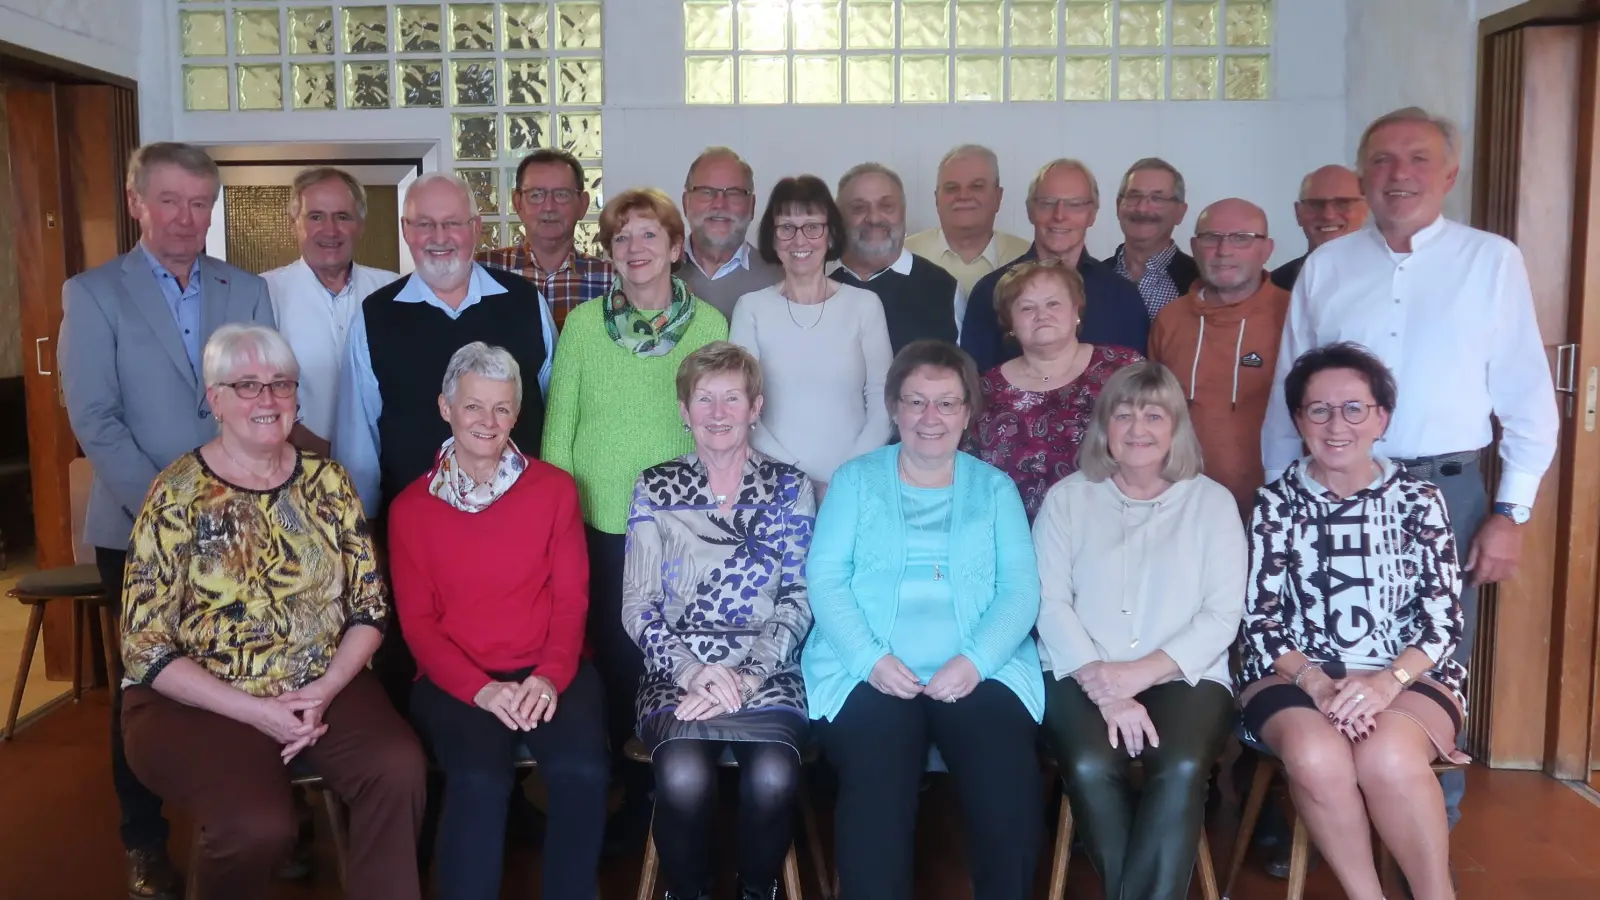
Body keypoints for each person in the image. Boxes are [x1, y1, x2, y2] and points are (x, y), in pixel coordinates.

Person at [1262, 107, 1559, 829]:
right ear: (1364, 175)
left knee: (1429, 658)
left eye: (1418, 159)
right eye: (1385, 161)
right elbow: (1288, 397)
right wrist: (1276, 501)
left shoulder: (1491, 261)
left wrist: (1509, 512)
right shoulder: (1327, 267)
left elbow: (1526, 396)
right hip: (1328, 494)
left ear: (1449, 173)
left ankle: (1426, 829)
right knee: (1311, 646)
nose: (1401, 175)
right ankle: (1312, 812)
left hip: (1447, 491)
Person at [118, 324, 426, 900]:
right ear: (215, 398)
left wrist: (326, 688)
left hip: (320, 681)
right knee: (257, 825)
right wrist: (255, 711)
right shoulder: (176, 492)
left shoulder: (328, 481)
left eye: (281, 384)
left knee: (398, 769)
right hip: (198, 698)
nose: (267, 399)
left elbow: (369, 608)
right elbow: (144, 645)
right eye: (247, 386)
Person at [58, 140, 276, 900]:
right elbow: (94, 416)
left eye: (199, 204)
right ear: (136, 203)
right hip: (138, 529)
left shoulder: (245, 288)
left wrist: (237, 502)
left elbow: (265, 398)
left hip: (246, 528)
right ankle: (144, 840)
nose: (186, 218)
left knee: (251, 666)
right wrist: (172, 512)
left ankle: (259, 816)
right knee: (145, 684)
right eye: (171, 201)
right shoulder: (93, 294)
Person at [805, 340, 1044, 900]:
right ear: (893, 407)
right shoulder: (856, 480)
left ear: (967, 412)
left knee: (1006, 777)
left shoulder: (994, 487)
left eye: (945, 404)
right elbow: (826, 579)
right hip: (867, 666)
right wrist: (870, 660)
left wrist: (976, 662)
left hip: (980, 666)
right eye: (915, 402)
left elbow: (1019, 589)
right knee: (877, 776)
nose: (929, 418)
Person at [1243, 342, 1469, 900]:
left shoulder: (1421, 499)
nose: (1335, 424)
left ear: (1381, 417)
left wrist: (1382, 684)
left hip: (1407, 676)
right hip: (1293, 675)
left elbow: (1443, 620)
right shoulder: (1275, 503)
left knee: (1388, 756)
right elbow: (1260, 619)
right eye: (1317, 409)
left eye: (1354, 408)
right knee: (1317, 756)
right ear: (1299, 420)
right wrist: (1319, 684)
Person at [388, 342, 607, 900]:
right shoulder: (410, 508)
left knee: (583, 774)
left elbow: (571, 601)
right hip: (457, 679)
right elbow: (417, 625)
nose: (488, 422)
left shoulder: (555, 489)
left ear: (517, 413)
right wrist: (482, 691)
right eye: (473, 407)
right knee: (480, 780)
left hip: (550, 667)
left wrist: (548, 677)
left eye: (502, 408)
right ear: (445, 407)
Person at [543, 186, 730, 836]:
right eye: (622, 238)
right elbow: (558, 428)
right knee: (620, 663)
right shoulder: (584, 327)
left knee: (678, 656)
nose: (635, 248)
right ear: (610, 255)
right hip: (600, 527)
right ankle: (634, 793)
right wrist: (556, 523)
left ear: (676, 248)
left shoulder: (709, 327)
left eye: (649, 235)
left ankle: (678, 795)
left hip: (685, 528)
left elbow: (722, 421)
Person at [1033, 361, 1245, 900]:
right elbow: (1048, 603)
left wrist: (1138, 675)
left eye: (1154, 415)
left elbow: (1223, 615)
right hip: (1079, 670)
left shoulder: (1212, 503)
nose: (1137, 429)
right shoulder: (1067, 499)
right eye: (1123, 415)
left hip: (1184, 675)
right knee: (1086, 762)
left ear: (1176, 428)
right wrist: (1104, 685)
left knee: (1180, 763)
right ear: (1104, 427)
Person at [622, 342, 817, 900]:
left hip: (769, 671)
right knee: (683, 778)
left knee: (774, 777)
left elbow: (799, 595)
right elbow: (637, 602)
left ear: (756, 407)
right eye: (704, 399)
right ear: (684, 410)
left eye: (732, 398)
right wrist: (690, 671)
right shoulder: (655, 485)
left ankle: (759, 889)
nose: (718, 412)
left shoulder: (789, 487)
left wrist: (749, 675)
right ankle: (688, 892)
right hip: (675, 671)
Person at [334, 171, 557, 521]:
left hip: (521, 520)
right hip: (415, 531)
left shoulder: (526, 303)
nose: (439, 238)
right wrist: (363, 534)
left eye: (452, 223)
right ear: (406, 229)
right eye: (424, 224)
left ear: (475, 227)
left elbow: (555, 418)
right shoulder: (375, 316)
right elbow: (358, 446)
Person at [730, 175, 893, 494]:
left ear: (830, 235)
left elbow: (882, 399)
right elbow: (741, 405)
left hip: (854, 484)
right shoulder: (750, 309)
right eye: (786, 227)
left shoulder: (865, 305)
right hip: (773, 485)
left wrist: (844, 477)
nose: (799, 240)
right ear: (773, 238)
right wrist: (796, 479)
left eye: (812, 226)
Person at [1148, 198, 1288, 517]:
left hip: (1274, 509)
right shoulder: (1170, 320)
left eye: (1241, 238)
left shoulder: (1293, 316)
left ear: (1267, 249)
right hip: (1181, 507)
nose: (1224, 251)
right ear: (1195, 246)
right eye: (1212, 237)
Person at [972, 260, 1142, 520]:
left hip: (1115, 534)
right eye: (1027, 308)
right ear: (1010, 323)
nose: (1042, 315)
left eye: (1053, 304)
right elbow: (971, 477)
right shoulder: (984, 390)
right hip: (1016, 541)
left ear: (1076, 310)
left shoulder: (1124, 368)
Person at [960, 159, 1148, 372]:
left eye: (1074, 205)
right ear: (1030, 210)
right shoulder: (990, 291)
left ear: (1092, 214)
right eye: (1048, 203)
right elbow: (974, 385)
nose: (1059, 216)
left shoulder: (1122, 296)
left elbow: (1136, 386)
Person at [264, 166, 399, 456]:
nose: (330, 230)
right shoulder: (264, 293)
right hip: (296, 469)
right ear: (293, 224)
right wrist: (325, 453)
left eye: (342, 216)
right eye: (316, 217)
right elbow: (258, 393)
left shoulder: (393, 289)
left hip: (385, 466)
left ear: (360, 225)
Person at [830, 162, 964, 352]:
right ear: (839, 218)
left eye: (886, 206)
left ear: (903, 212)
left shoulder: (943, 289)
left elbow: (964, 374)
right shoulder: (817, 288)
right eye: (859, 208)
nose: (874, 219)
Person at [477, 148, 613, 329]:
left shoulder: (611, 280)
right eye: (536, 195)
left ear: (583, 204)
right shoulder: (483, 270)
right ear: (517, 203)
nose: (549, 207)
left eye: (561, 194)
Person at [905, 144, 1032, 294]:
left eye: (976, 186)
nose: (963, 196)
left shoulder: (1027, 259)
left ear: (998, 196)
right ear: (936, 199)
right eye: (952, 188)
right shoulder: (905, 256)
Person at [679, 146, 784, 317]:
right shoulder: (658, 272)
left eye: (734, 194)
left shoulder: (779, 281)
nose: (719, 204)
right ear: (685, 203)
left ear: (751, 206)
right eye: (706, 192)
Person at [1112, 157, 1198, 319]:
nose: (1142, 208)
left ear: (1181, 212)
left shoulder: (1200, 281)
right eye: (1134, 196)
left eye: (1157, 198)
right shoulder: (1088, 279)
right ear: (1118, 206)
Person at [1270, 165, 1368, 290]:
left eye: (1343, 203)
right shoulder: (1275, 286)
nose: (1328, 215)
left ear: (1366, 209)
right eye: (1316, 204)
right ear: (1298, 213)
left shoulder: (1390, 277)